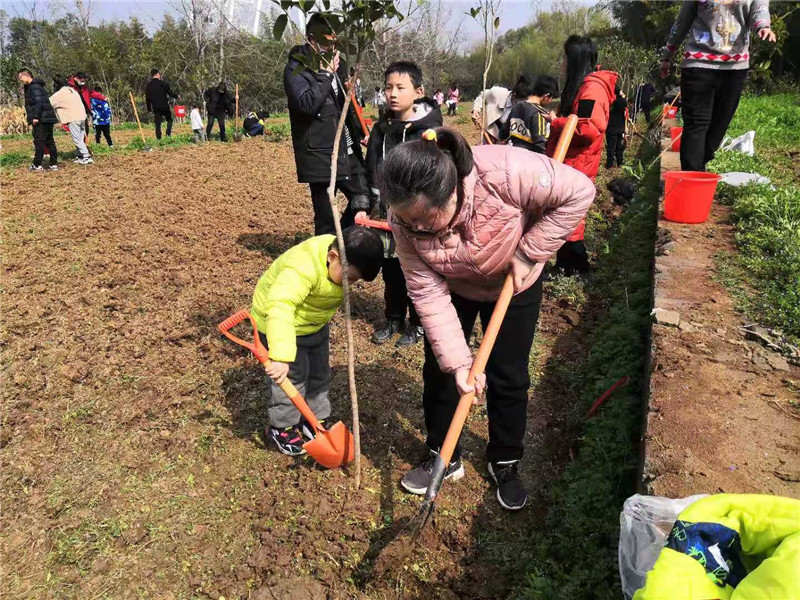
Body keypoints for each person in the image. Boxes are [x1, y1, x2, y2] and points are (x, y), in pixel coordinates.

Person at [380, 127, 595, 510]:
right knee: (442, 371)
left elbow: (579, 191)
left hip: (515, 282)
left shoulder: (506, 171)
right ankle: (443, 456)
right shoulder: (403, 220)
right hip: (455, 287)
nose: (416, 229)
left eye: (424, 220)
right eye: (406, 221)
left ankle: (505, 460)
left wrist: (531, 252)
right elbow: (426, 291)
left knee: (508, 375)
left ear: (452, 192)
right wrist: (460, 363)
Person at [251, 226, 382, 455]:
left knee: (320, 373)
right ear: (333, 257)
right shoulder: (302, 268)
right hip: (280, 325)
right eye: (350, 278)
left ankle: (315, 419)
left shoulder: (337, 263)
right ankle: (282, 426)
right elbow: (280, 306)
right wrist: (281, 356)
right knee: (293, 377)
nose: (350, 285)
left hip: (314, 324)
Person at [363, 61, 443, 347]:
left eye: (400, 87)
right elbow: (369, 167)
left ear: (418, 91)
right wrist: (364, 202)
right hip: (385, 215)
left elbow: (437, 175)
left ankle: (419, 322)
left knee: (418, 270)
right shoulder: (381, 130)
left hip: (417, 216)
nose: (392, 94)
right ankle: (393, 317)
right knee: (391, 269)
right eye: (388, 87)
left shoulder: (431, 131)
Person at [659, 0, 776, 172]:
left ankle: (699, 165)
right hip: (698, 65)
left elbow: (759, 9)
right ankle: (692, 180)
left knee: (719, 126)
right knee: (697, 125)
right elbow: (682, 21)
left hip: (734, 68)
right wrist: (667, 55)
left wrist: (763, 27)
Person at [283, 12, 370, 236]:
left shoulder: (336, 64)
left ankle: (342, 240)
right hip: (319, 153)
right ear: (311, 38)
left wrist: (362, 132)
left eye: (334, 42)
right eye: (325, 42)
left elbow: (343, 108)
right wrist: (325, 74)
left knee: (364, 198)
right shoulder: (295, 68)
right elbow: (306, 105)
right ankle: (328, 254)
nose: (331, 47)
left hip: (346, 147)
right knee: (325, 216)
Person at [545, 35, 618, 275]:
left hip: (578, 163)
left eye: (566, 58)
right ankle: (568, 265)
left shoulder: (592, 89)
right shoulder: (586, 87)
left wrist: (556, 123)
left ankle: (576, 264)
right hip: (573, 161)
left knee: (569, 214)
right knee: (567, 214)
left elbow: (588, 128)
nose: (563, 63)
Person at [498, 75, 559, 154]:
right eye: (551, 98)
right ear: (546, 96)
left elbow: (503, 134)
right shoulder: (540, 114)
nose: (550, 101)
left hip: (514, 155)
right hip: (530, 160)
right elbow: (540, 144)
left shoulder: (517, 107)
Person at [18, 69, 59, 171]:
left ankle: (37, 164)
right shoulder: (37, 86)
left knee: (39, 141)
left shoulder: (34, 87)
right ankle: (53, 164)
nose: (20, 80)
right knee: (49, 141)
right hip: (47, 118)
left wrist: (35, 117)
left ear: (27, 76)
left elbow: (38, 103)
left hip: (41, 118)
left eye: (20, 77)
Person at [49, 78, 93, 165]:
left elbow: (49, 102)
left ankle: (86, 156)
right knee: (80, 138)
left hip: (73, 118)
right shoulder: (72, 91)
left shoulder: (61, 93)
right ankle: (80, 156)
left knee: (77, 139)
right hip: (82, 117)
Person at [145, 68, 179, 140]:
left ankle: (159, 138)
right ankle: (168, 133)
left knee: (158, 123)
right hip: (164, 106)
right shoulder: (163, 83)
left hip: (156, 107)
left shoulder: (148, 86)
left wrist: (149, 108)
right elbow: (170, 93)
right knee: (169, 120)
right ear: (158, 74)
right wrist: (177, 96)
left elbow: (147, 98)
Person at [606, 86, 628, 169]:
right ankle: (620, 162)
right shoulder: (623, 101)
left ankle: (610, 164)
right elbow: (625, 114)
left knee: (611, 147)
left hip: (611, 127)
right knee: (619, 146)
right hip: (620, 127)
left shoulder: (610, 101)